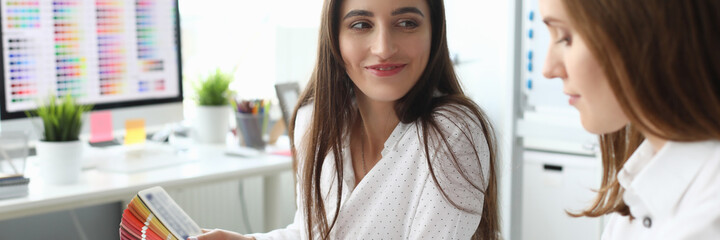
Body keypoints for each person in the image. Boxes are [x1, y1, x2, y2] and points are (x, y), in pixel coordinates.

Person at [190, 0, 499, 239]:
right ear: (334, 36)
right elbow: (310, 233)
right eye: (362, 24)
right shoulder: (314, 122)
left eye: (406, 23)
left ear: (434, 32)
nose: (384, 48)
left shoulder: (453, 134)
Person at [539, 0, 720, 238]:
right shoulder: (643, 182)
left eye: (565, 38)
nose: (548, 69)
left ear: (641, 27)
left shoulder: (707, 218)